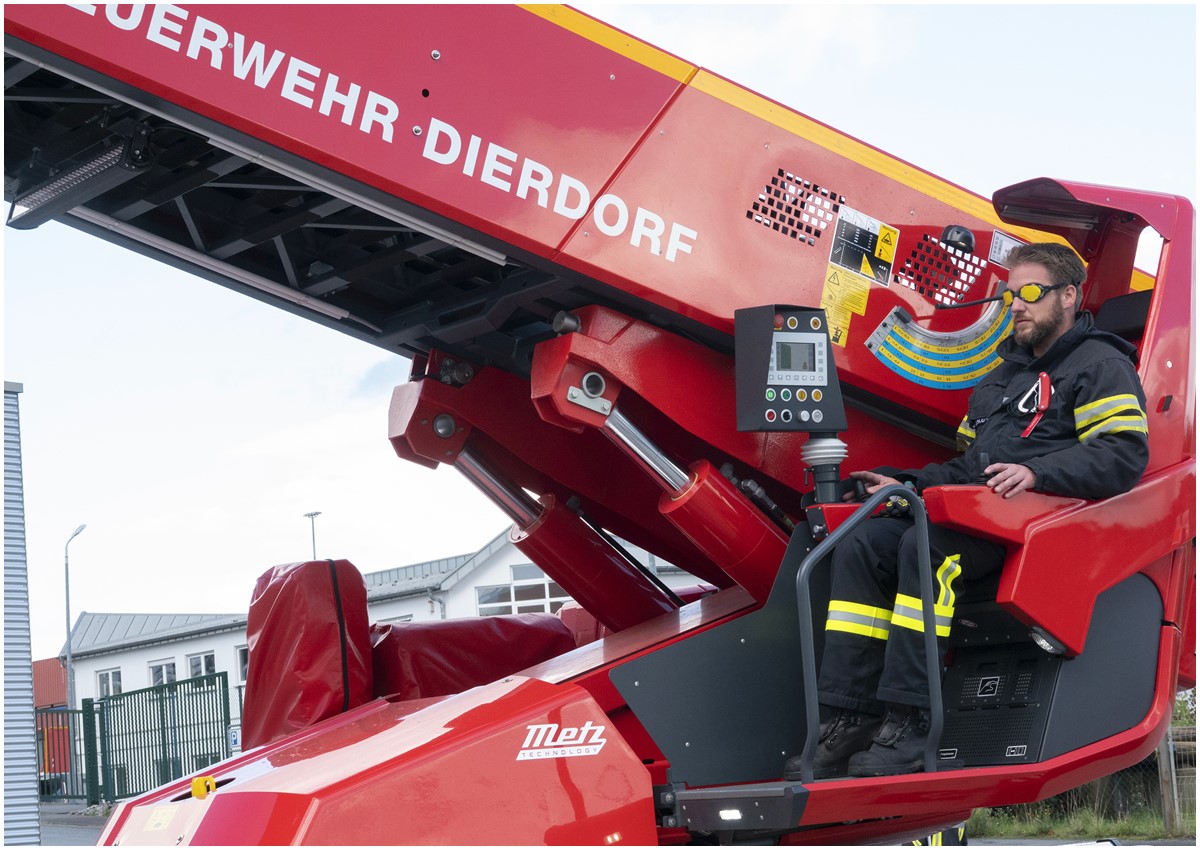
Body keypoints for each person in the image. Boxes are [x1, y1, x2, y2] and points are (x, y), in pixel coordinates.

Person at [785, 242, 1150, 780]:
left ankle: (911, 725)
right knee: (863, 543)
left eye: (1030, 292)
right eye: (1010, 295)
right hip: (975, 517)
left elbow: (1124, 451)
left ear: (1069, 296)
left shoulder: (1101, 364)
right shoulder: (1001, 380)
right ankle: (851, 720)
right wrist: (903, 483)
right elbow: (966, 467)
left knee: (925, 547)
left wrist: (1040, 474)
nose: (1017, 305)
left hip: (1036, 531)